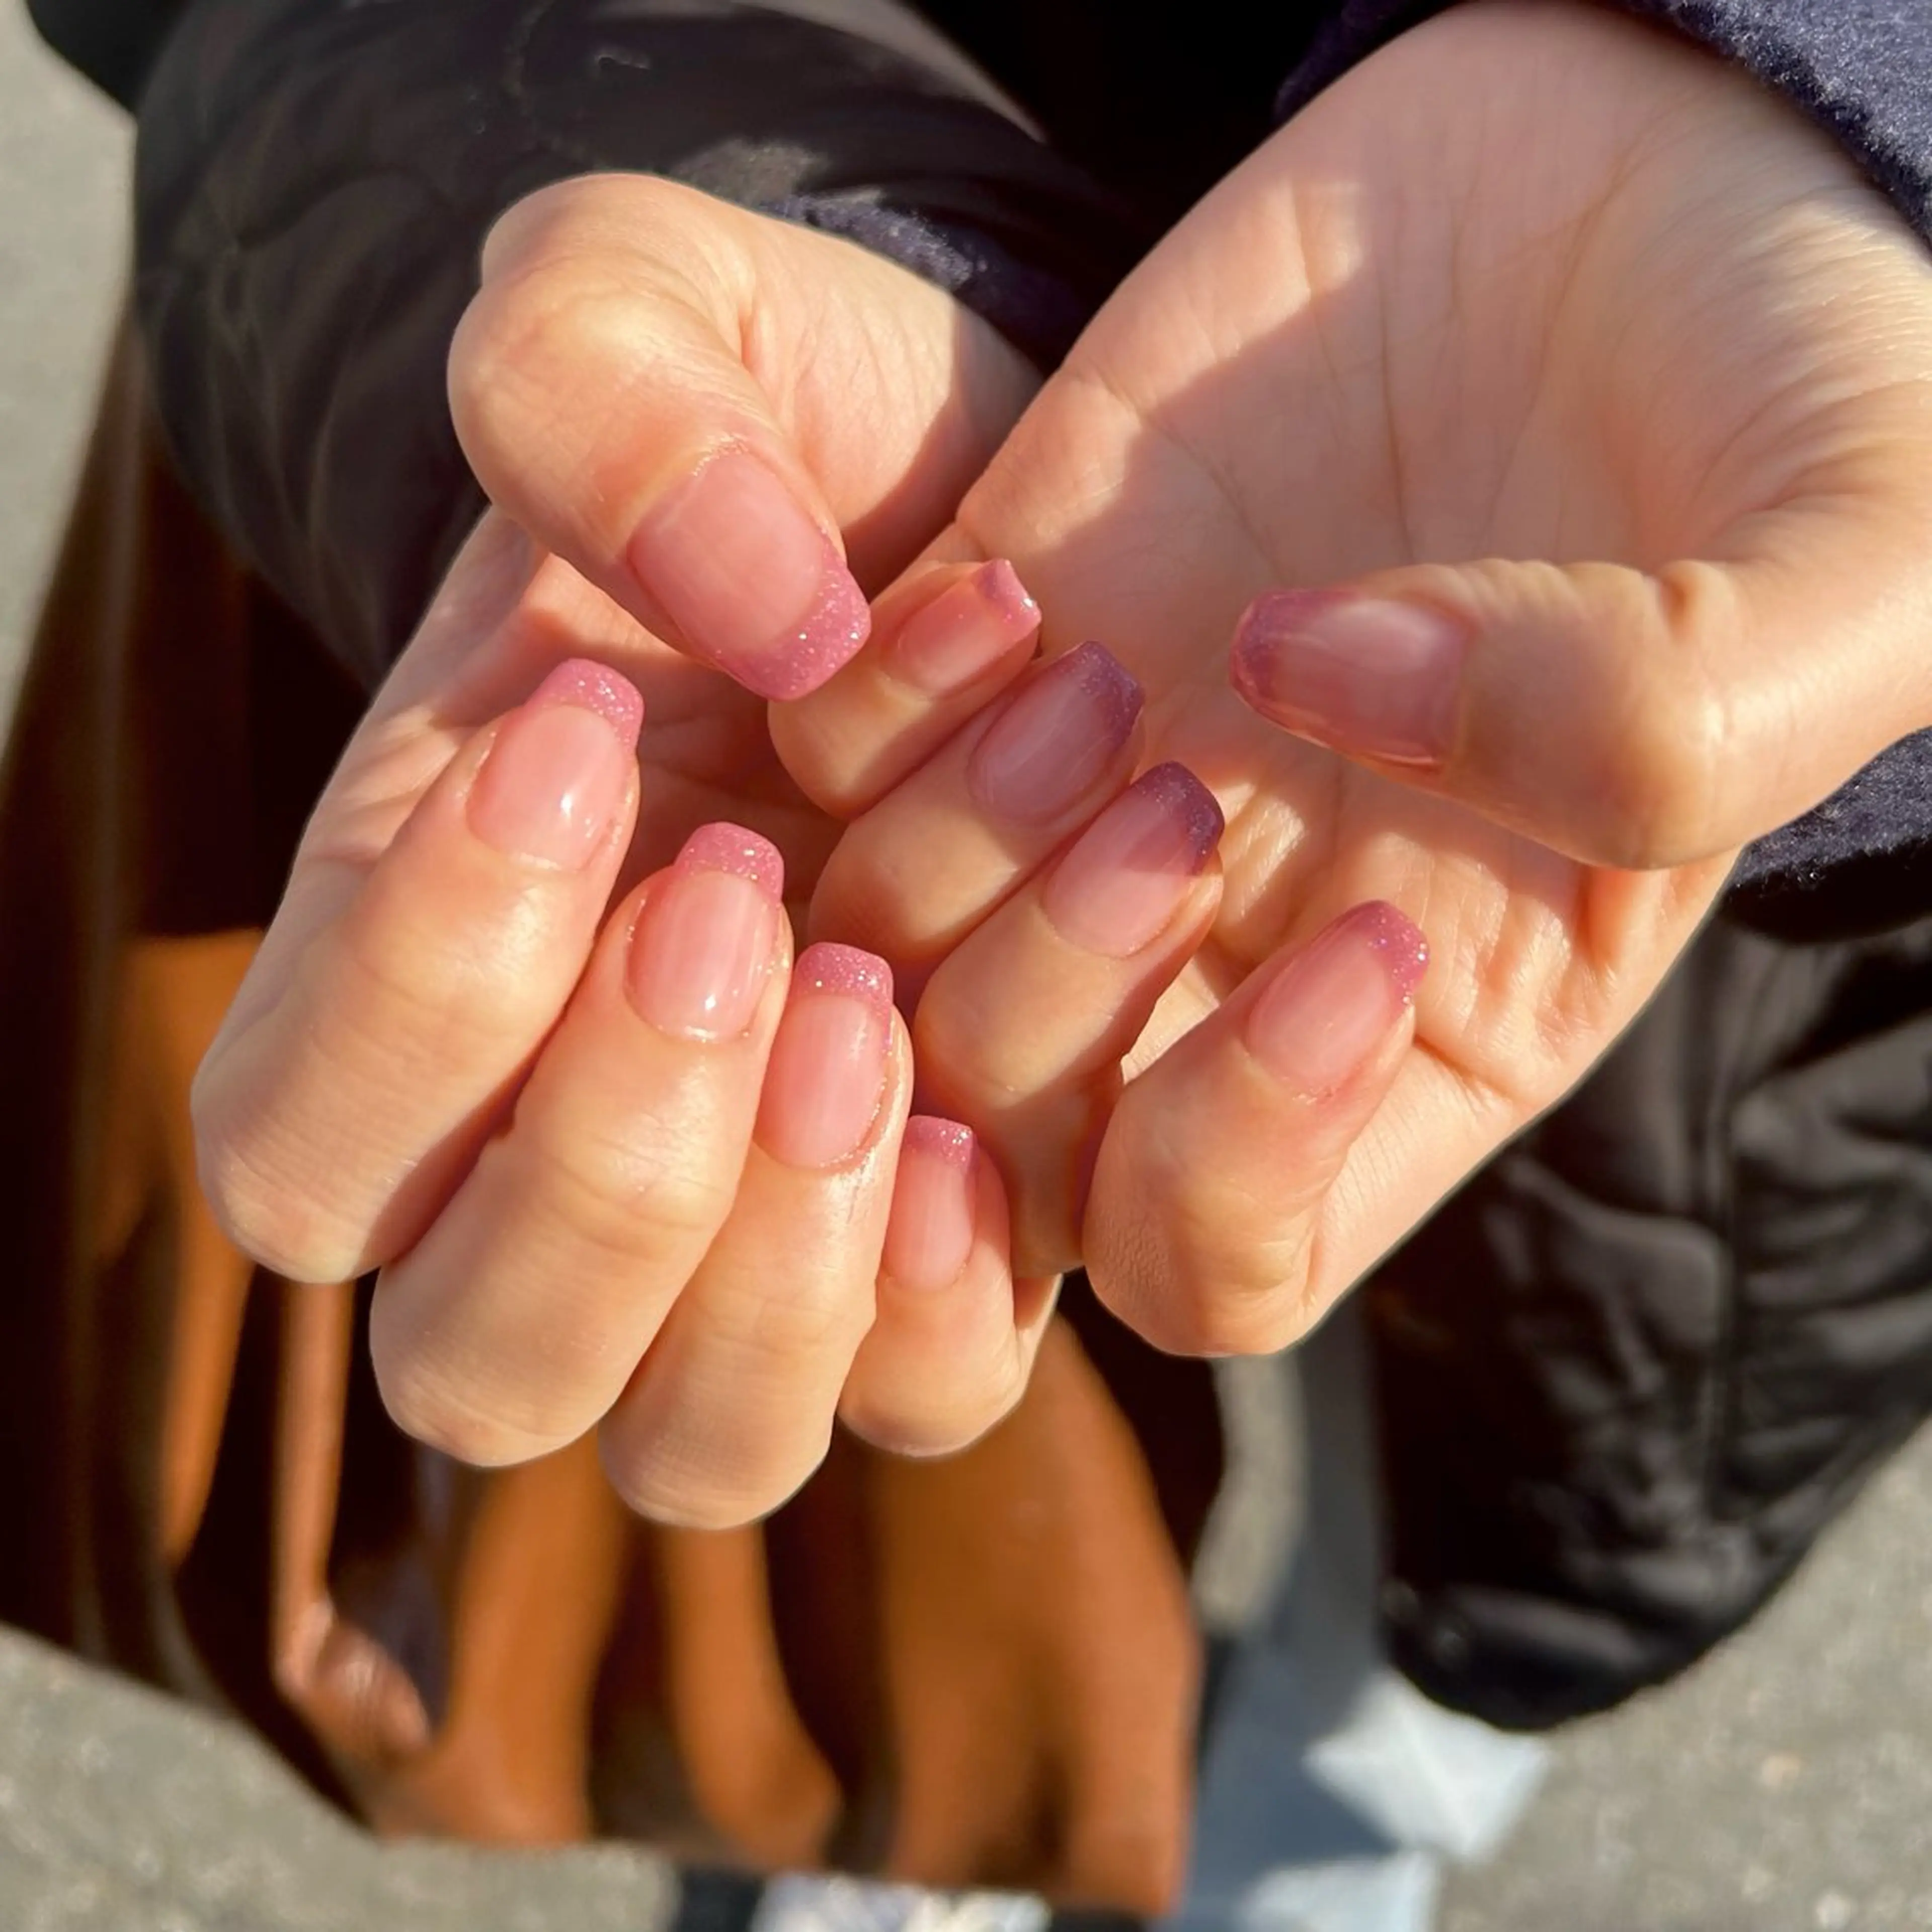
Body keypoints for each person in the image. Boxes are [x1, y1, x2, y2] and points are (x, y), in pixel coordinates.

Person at [7, 0, 1932, 1921]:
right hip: (958, 458)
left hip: (1747, 1042)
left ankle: (1317, 1836)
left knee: (1449, 1648)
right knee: (891, 1538)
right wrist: (753, 217)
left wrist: (1842, 107)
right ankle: (917, 1852)